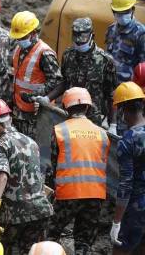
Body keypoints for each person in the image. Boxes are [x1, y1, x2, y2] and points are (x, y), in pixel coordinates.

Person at [0, 99, 53, 255]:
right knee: (29, 251)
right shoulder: (31, 142)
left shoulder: (0, 144)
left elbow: (2, 175)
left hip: (18, 213)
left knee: (2, 248)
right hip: (42, 210)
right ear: (11, 119)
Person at [47, 87, 109, 255]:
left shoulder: (60, 130)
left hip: (68, 192)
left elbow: (54, 165)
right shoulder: (102, 133)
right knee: (83, 241)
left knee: (51, 235)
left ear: (66, 107)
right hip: (95, 195)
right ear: (88, 107)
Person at [38, 17, 117, 133]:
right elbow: (65, 82)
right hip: (67, 114)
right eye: (76, 42)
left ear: (92, 37)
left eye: (82, 42)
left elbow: (111, 94)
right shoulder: (68, 55)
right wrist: (48, 98)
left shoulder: (106, 60)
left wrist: (113, 125)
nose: (79, 44)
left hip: (91, 120)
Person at [10, 11, 62, 140]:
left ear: (33, 33)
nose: (20, 40)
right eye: (18, 37)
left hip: (37, 112)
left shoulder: (44, 53)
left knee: (35, 146)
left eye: (23, 37)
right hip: (19, 110)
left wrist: (38, 94)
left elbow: (56, 80)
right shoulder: (19, 49)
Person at [109, 81, 145, 254]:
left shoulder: (128, 141)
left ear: (122, 109)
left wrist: (117, 221)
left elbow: (125, 185)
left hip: (137, 207)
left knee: (120, 251)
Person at [106, 0, 145, 135]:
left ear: (133, 9)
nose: (121, 16)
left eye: (125, 12)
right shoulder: (111, 31)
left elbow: (143, 69)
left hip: (129, 97)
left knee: (127, 136)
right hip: (111, 94)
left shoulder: (140, 33)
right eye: (118, 12)